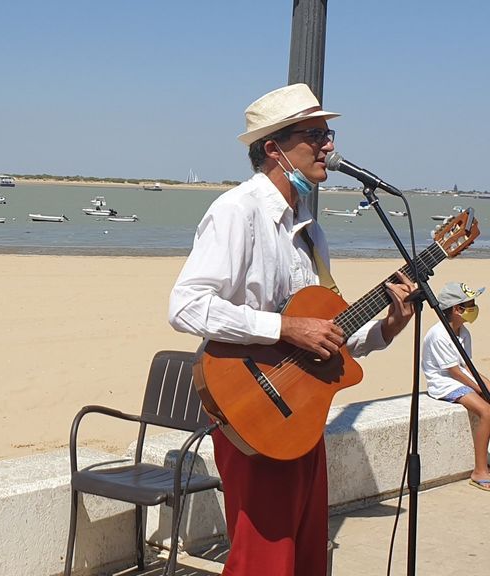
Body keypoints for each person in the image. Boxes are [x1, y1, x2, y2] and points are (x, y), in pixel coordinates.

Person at [168, 84, 416, 576]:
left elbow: (325, 332)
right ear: (274, 148)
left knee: (304, 555)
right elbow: (186, 305)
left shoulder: (311, 231)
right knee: (264, 559)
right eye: (316, 135)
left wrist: (387, 325)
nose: (329, 146)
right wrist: (284, 326)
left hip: (302, 416)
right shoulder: (238, 211)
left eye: (329, 134)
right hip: (251, 406)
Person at [421, 281, 490, 491]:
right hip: (443, 383)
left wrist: (486, 384)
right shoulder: (439, 334)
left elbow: (467, 366)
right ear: (456, 309)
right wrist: (480, 388)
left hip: (459, 377)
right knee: (486, 411)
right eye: (469, 304)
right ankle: (479, 470)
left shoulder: (463, 333)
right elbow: (454, 372)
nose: (474, 308)